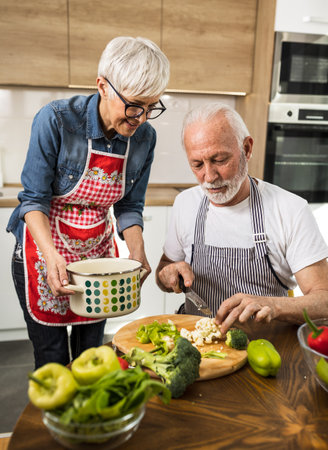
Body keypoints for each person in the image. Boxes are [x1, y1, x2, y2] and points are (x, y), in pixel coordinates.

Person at [7, 36, 170, 368]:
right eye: (135, 104)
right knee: (52, 360)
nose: (141, 117)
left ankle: (94, 420)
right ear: (103, 86)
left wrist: (137, 251)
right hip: (43, 252)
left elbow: (128, 206)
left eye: (151, 107)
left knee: (92, 358)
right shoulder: (56, 120)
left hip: (97, 256)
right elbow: (33, 200)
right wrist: (52, 257)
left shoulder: (144, 138)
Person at [156, 103, 328, 334]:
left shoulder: (290, 209)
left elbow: (324, 301)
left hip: (266, 346)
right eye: (197, 164)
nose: (209, 176)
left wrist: (273, 305)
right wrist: (167, 275)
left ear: (246, 149)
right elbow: (165, 269)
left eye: (219, 160)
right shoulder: (185, 203)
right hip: (198, 345)